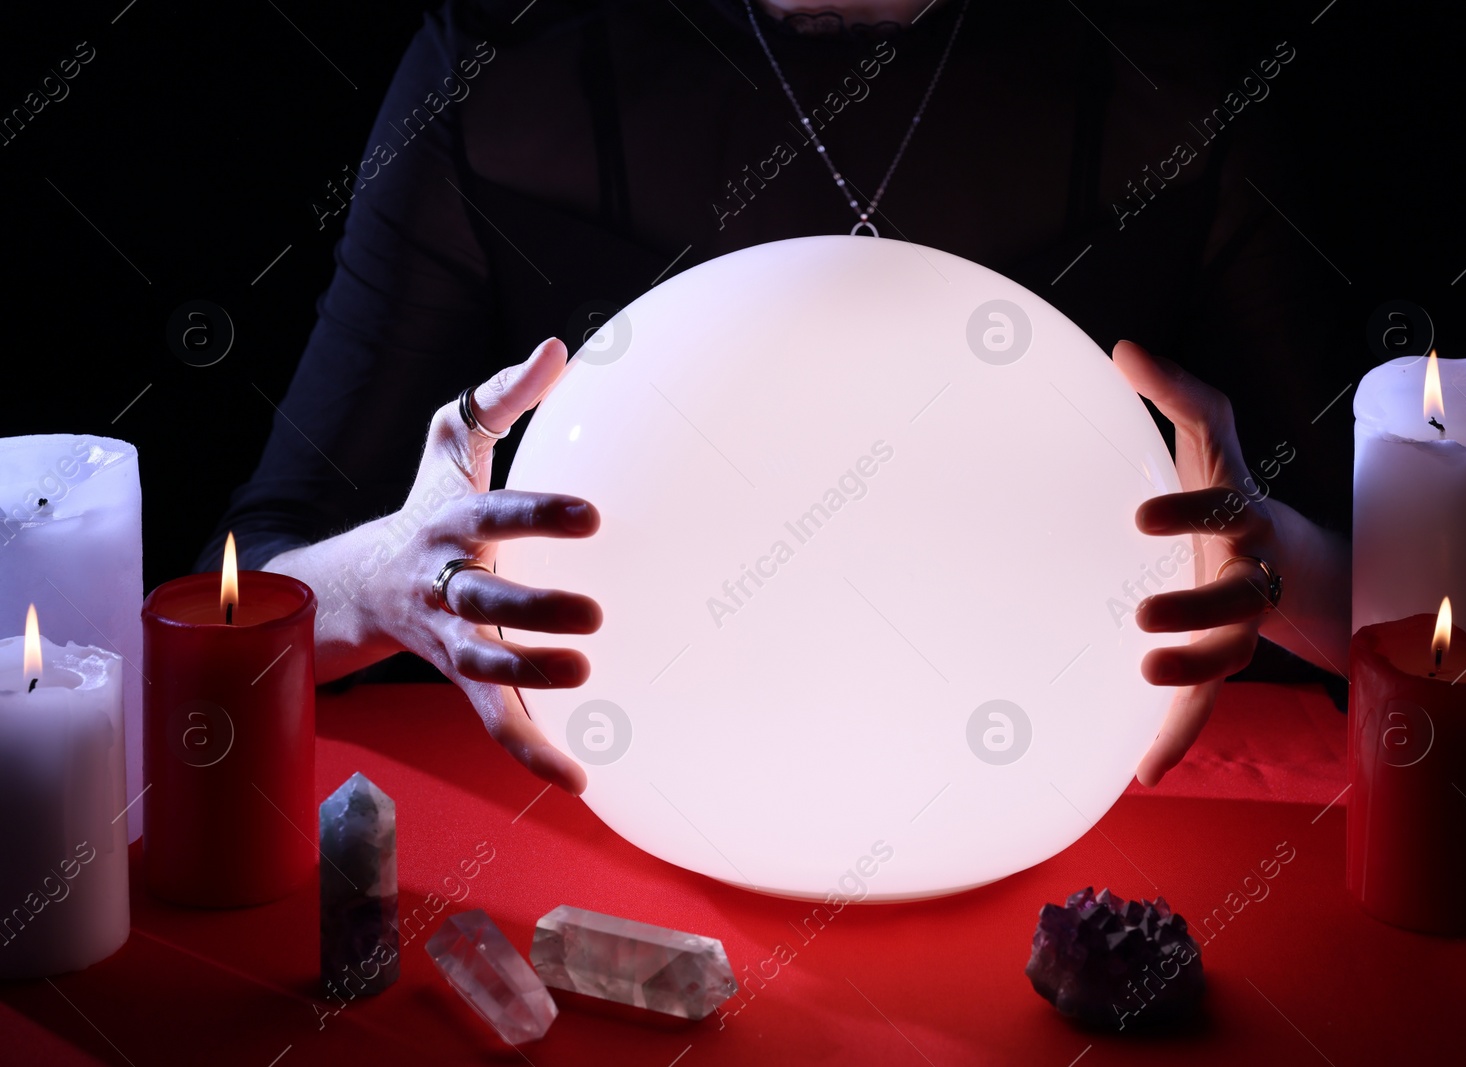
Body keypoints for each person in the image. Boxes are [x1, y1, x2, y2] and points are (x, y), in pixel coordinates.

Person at [203, 0, 1353, 796]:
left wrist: (1273, 556)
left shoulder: (1184, 69)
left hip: (1039, 810)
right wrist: (385, 578)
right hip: (632, 805)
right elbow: (247, 585)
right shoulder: (501, 63)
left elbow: (1434, 626)